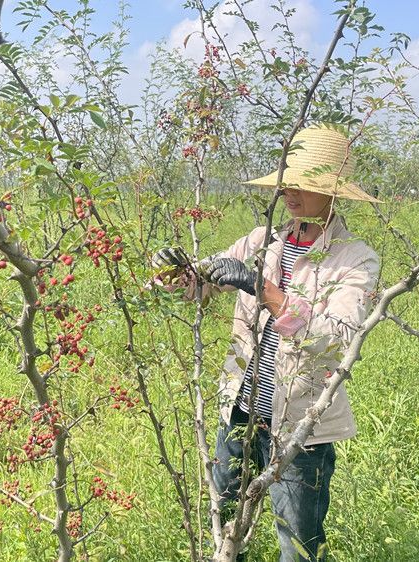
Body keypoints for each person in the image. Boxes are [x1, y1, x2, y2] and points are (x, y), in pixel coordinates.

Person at [154, 125, 380, 561]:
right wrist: (170, 271)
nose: (291, 193)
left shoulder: (355, 258)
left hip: (300, 424)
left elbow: (339, 341)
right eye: (287, 182)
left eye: (304, 184)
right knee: (224, 526)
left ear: (333, 192)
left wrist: (268, 292)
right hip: (239, 410)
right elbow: (195, 285)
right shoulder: (262, 242)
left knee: (296, 545)